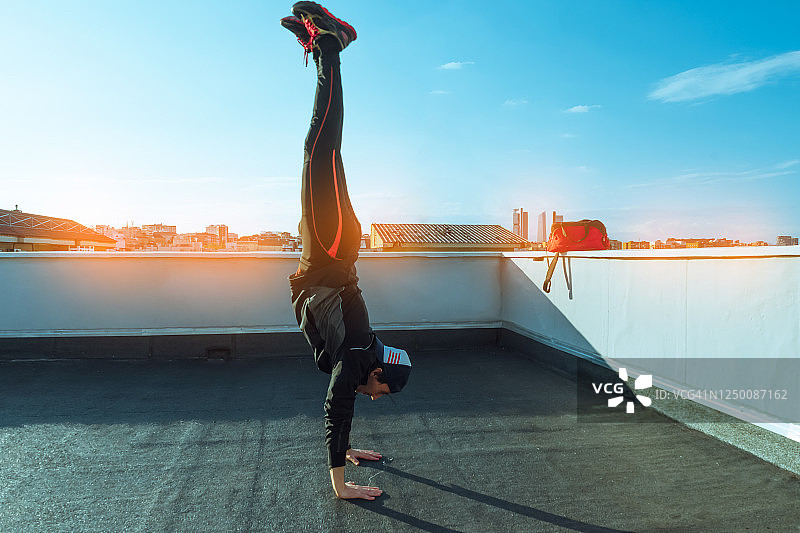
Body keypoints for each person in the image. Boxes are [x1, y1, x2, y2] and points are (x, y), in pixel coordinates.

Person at [281, 2, 412, 501]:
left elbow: (348, 399)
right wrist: (344, 487)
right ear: (376, 373)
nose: (375, 396)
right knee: (322, 146)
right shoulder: (359, 358)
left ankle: (322, 52)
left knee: (320, 149)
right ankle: (333, 46)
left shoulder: (363, 355)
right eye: (382, 391)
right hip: (331, 248)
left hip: (333, 251)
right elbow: (338, 409)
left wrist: (353, 449)